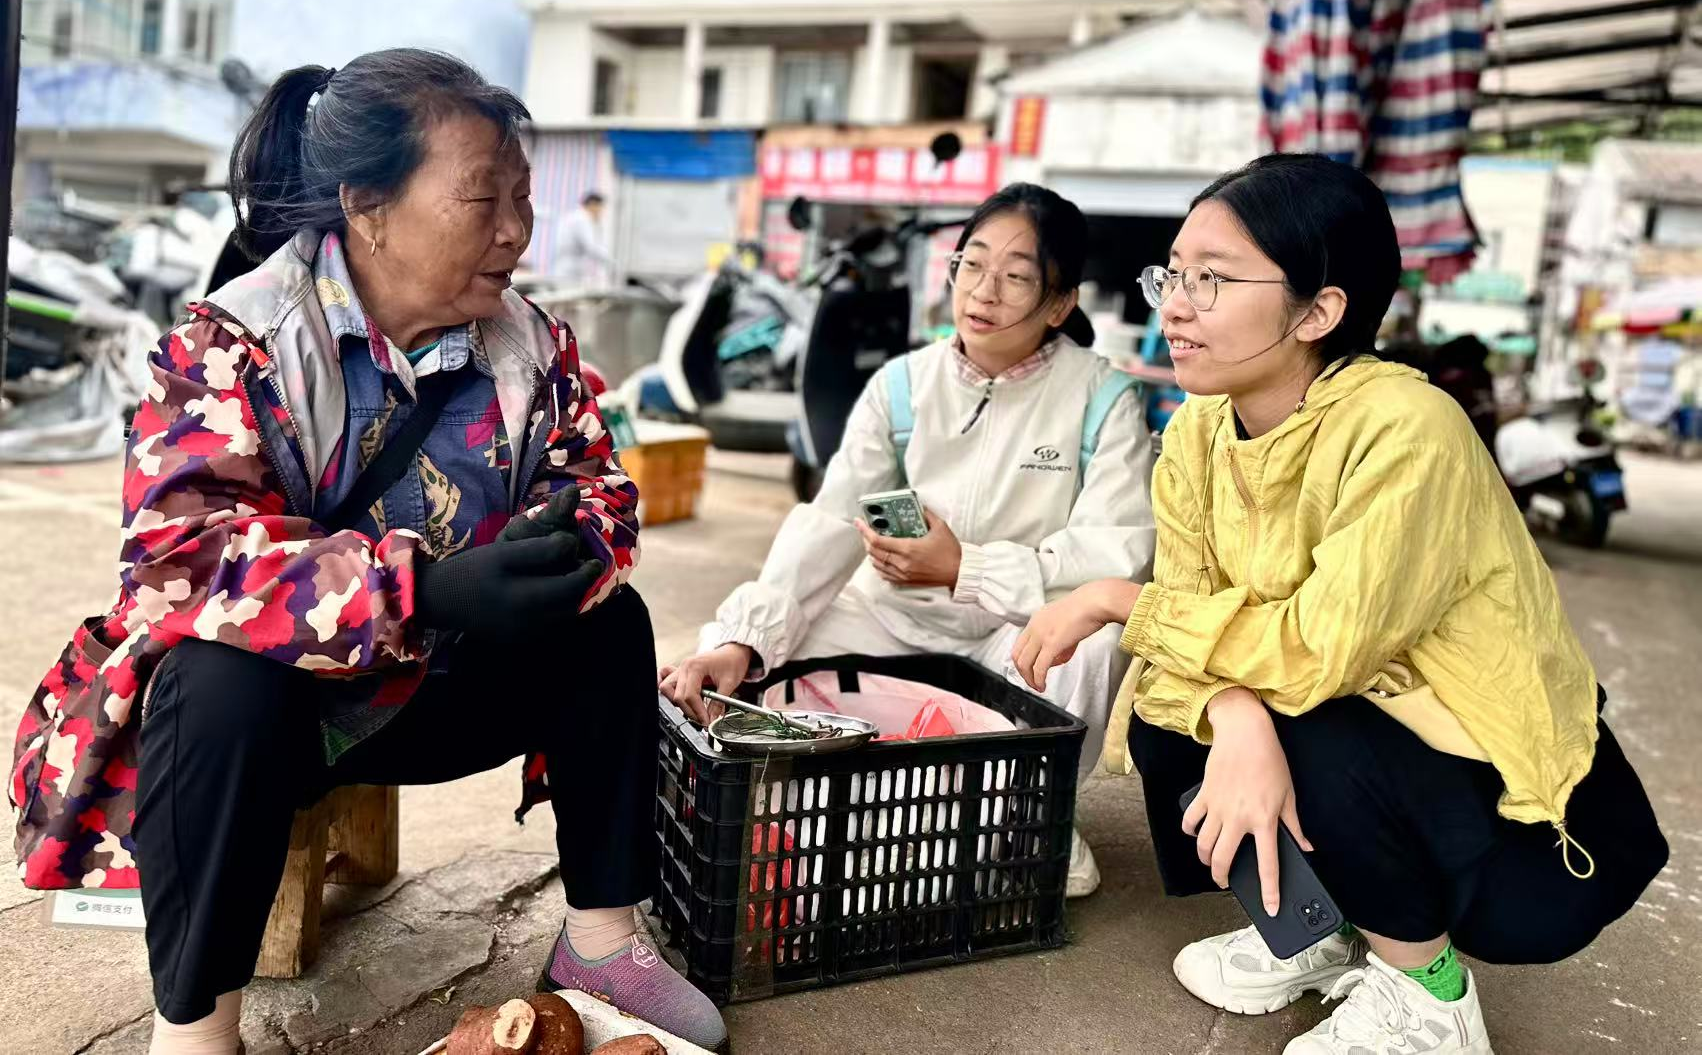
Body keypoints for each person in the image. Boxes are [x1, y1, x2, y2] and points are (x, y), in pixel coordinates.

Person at [8, 49, 725, 1055]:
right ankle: (198, 1030)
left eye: (523, 196)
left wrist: (555, 548)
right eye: (482, 199)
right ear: (367, 206)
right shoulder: (236, 345)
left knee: (611, 623)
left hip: (443, 695)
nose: (515, 230)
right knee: (212, 682)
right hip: (292, 718)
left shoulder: (530, 344)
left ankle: (602, 941)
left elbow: (599, 483)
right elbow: (183, 560)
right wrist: (423, 587)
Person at [1014, 154, 1666, 1054]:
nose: (1176, 304)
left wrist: (1117, 598)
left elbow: (1321, 654)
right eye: (1174, 273)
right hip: (1365, 732)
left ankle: (1431, 999)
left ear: (1318, 312)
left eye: (1212, 279)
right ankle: (1320, 927)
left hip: (1515, 825)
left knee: (1301, 721)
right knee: (1183, 715)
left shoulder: (1407, 428)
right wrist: (1233, 713)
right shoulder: (1198, 430)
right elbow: (1193, 632)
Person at [660, 183, 1156, 897]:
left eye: (1017, 276)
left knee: (1094, 638)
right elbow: (833, 521)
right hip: (889, 617)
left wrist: (966, 569)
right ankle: (865, 808)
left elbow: (1112, 555)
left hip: (1010, 630)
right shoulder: (901, 385)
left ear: (1059, 304)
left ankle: (1036, 817)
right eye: (971, 264)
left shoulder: (1103, 399)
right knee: (746, 643)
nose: (984, 291)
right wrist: (744, 639)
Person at [555, 189, 615, 288]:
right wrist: (611, 262)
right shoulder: (582, 218)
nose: (601, 211)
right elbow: (591, 247)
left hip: (567, 267)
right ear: (592, 204)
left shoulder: (574, 216)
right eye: (600, 207)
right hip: (571, 270)